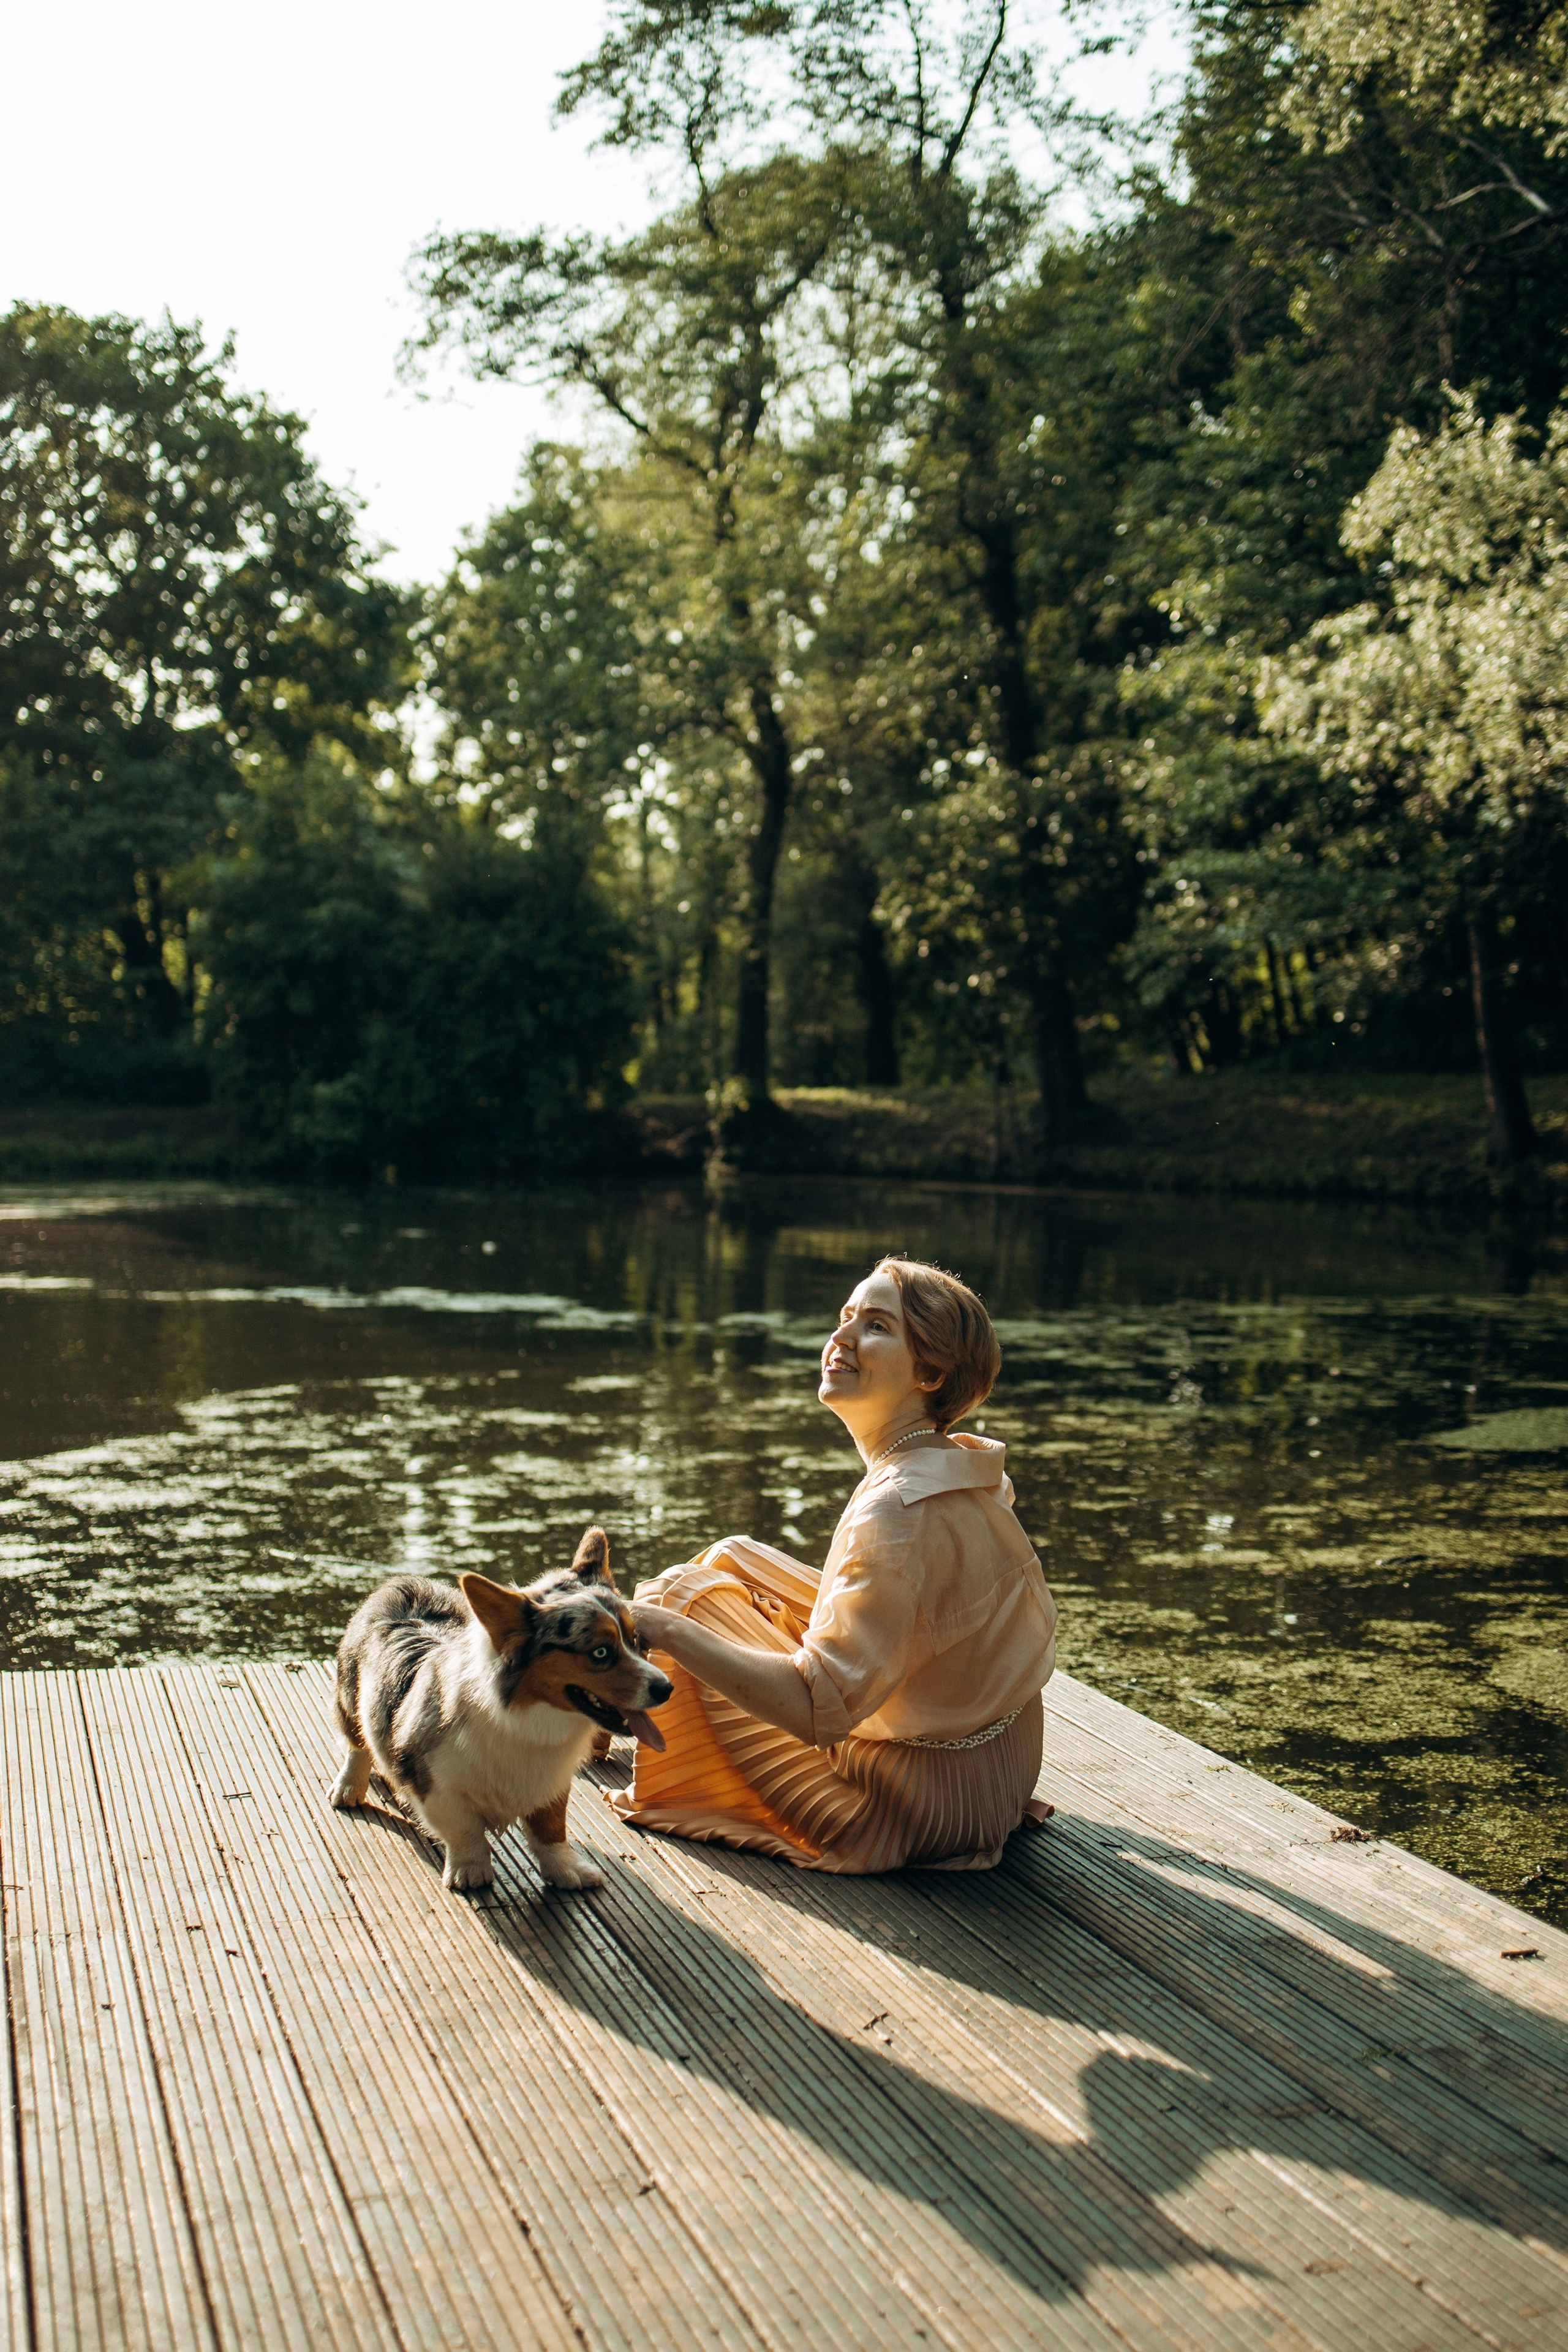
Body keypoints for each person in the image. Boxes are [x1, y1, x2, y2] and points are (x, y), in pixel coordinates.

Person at [611, 1256, 1058, 1874]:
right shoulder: (959, 1465)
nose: (840, 1338)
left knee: (678, 1595)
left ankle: (603, 1707)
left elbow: (817, 1711)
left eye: (874, 1326)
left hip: (916, 1805)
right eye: (845, 1317)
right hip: (1000, 1771)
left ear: (928, 1371)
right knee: (732, 1559)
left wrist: (661, 1629)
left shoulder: (891, 1510)